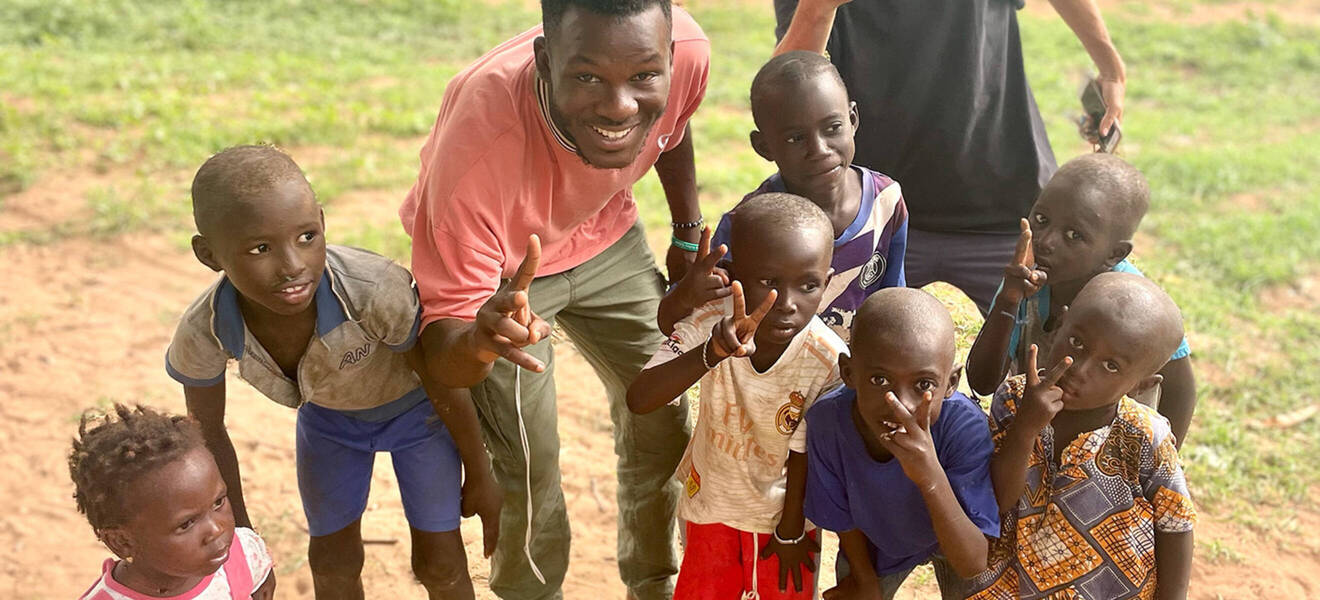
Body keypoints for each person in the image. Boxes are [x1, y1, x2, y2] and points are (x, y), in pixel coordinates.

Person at [398, 0, 710, 597]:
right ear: (544, 61)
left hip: (604, 233)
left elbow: (671, 126)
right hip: (502, 275)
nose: (620, 106)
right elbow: (442, 356)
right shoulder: (474, 157)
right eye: (588, 77)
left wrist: (687, 230)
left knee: (663, 415)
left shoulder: (687, 52)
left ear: (669, 58)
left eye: (644, 75)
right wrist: (480, 340)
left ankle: (655, 583)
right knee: (527, 459)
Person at [167, 145, 497, 599]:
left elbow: (440, 378)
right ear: (209, 254)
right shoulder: (205, 329)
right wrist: (242, 541)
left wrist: (479, 471)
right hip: (329, 425)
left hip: (420, 418)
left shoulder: (372, 290)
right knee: (331, 562)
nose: (292, 266)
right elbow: (207, 432)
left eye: (307, 236)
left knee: (440, 563)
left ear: (322, 222)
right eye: (260, 249)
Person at [772, 0, 1128, 315]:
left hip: (1002, 201)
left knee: (1061, 345)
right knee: (833, 355)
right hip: (873, 213)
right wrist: (818, 8)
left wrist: (1111, 66)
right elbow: (782, 90)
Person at [628, 193, 846, 600]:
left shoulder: (828, 359)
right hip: (709, 507)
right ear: (734, 276)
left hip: (785, 523)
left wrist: (792, 529)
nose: (787, 304)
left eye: (808, 285)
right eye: (769, 282)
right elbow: (640, 399)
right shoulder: (711, 320)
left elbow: (807, 452)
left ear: (828, 281)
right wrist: (711, 353)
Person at [969, 272, 1196, 599]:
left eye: (1111, 366)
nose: (1080, 368)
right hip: (1011, 588)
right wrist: (1025, 428)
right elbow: (997, 502)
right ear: (1060, 324)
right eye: (1076, 342)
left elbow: (1175, 525)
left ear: (1141, 385)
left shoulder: (1147, 437)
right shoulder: (1014, 399)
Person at [661, 50, 907, 342]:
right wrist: (688, 293)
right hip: (767, 368)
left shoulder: (886, 201)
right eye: (796, 138)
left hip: (850, 368)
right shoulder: (747, 225)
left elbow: (895, 307)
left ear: (852, 119)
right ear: (763, 146)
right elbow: (675, 322)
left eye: (832, 128)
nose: (819, 150)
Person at [966, 154, 1197, 446]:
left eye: (1074, 235)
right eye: (1041, 220)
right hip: (1038, 437)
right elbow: (982, 382)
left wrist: (1165, 457)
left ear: (1114, 254)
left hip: (1115, 451)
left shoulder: (1138, 306)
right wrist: (1007, 302)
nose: (1046, 241)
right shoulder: (1024, 279)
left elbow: (1180, 389)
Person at [804, 288, 1000, 600]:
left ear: (950, 383)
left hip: (955, 530)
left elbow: (972, 563)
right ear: (848, 373)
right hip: (878, 542)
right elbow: (843, 516)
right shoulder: (828, 423)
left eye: (923, 384)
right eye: (880, 380)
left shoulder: (964, 429)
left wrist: (929, 475)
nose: (901, 404)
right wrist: (864, 579)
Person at [70, 404, 275, 600]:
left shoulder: (243, 553)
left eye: (218, 502)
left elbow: (259, 584)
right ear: (122, 542)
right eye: (186, 524)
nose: (216, 530)